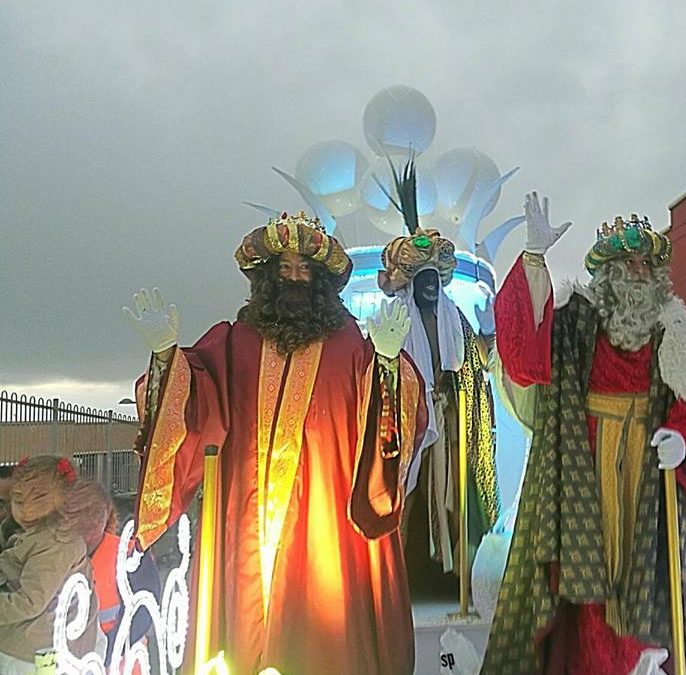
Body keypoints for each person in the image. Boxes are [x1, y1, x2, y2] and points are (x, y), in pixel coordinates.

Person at [123, 212, 428, 674]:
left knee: (323, 621)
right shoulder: (234, 342)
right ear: (267, 276)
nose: (294, 277)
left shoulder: (350, 346)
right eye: (283, 268)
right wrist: (167, 355)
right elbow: (197, 402)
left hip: (325, 524)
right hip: (242, 520)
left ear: (322, 279)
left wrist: (386, 362)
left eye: (304, 269)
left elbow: (389, 422)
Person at [483, 195, 686, 675]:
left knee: (644, 573)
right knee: (589, 573)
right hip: (585, 470)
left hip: (651, 471)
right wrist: (533, 262)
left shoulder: (676, 332)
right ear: (606, 271)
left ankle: (641, 656)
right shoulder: (578, 321)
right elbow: (526, 354)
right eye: (628, 263)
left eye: (647, 264)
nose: (639, 273)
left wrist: (685, 437)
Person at [377, 161, 499, 588]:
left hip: (451, 428)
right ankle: (400, 577)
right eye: (422, 279)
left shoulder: (456, 322)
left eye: (434, 279)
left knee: (457, 500)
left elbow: (476, 364)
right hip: (410, 430)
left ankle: (455, 578)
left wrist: (488, 333)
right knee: (407, 496)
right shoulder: (396, 321)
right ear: (411, 284)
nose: (430, 286)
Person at [0, 456, 102, 674]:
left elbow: (29, 602)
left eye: (39, 499)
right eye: (18, 500)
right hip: (37, 643)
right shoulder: (33, 531)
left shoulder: (57, 543)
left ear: (64, 499)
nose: (26, 510)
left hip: (34, 651)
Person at [68, 478, 162, 668]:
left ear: (102, 519)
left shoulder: (130, 554)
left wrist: (103, 652)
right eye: (73, 516)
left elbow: (143, 615)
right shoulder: (55, 554)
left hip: (121, 663)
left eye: (87, 516)